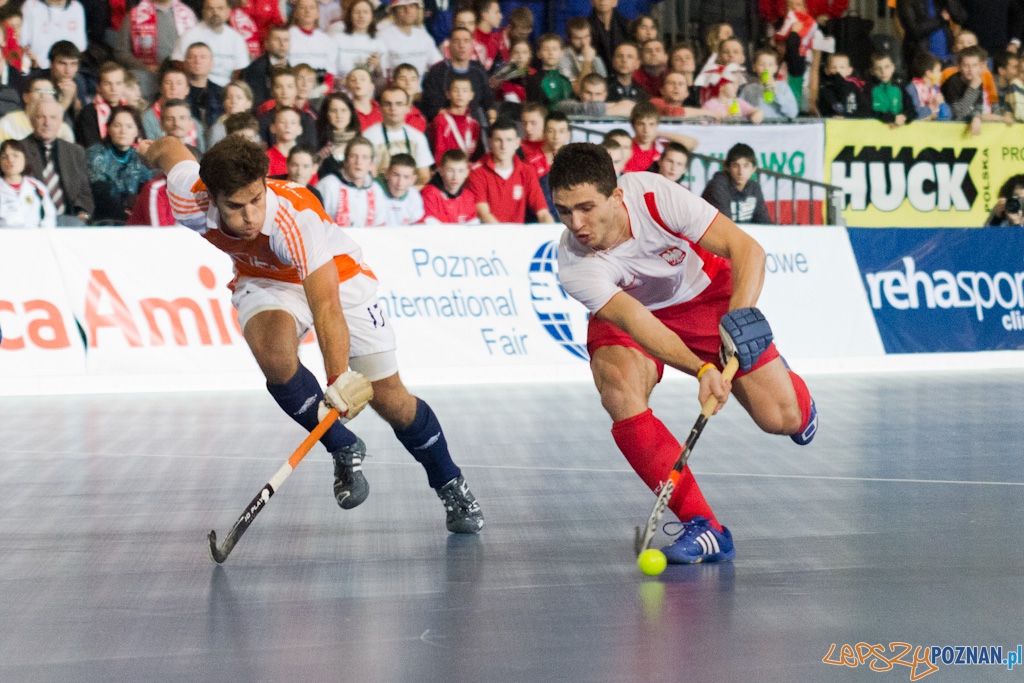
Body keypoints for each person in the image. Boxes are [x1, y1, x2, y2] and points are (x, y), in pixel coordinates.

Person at [141, 133, 484, 533]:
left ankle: (449, 481)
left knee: (391, 399)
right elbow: (169, 148)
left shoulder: (293, 219)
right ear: (213, 198)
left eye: (257, 199)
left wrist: (337, 379)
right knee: (274, 358)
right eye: (236, 206)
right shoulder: (189, 199)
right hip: (265, 279)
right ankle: (342, 445)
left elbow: (326, 306)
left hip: (339, 280)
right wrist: (146, 152)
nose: (250, 216)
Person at [547, 142, 817, 564]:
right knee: (618, 390)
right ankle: (703, 525)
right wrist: (701, 369)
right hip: (637, 313)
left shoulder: (654, 196)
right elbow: (637, 322)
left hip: (704, 294)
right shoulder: (574, 262)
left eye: (586, 207)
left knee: (782, 419)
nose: (575, 223)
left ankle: (789, 387)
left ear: (616, 196)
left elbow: (748, 250)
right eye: (564, 211)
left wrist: (738, 325)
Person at [466, 118, 554, 224]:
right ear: (490, 143)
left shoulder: (527, 171)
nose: (504, 146)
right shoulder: (477, 172)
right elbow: (484, 214)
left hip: (517, 233)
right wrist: (506, 234)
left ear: (517, 143)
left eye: (509, 140)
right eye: (498, 140)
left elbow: (543, 212)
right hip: (489, 232)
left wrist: (551, 229)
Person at [20, 100, 92, 225]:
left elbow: (84, 193)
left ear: (60, 121)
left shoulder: (75, 152)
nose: (47, 123)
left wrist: (82, 215)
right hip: (33, 220)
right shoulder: (19, 151)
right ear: (31, 120)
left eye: (53, 117)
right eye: (41, 117)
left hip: (69, 219)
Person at [116, 0, 198, 99]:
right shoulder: (133, 15)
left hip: (180, 78)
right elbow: (121, 53)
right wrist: (144, 66)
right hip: (146, 78)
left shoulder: (188, 15)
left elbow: (198, 49)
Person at [86, 105, 153, 223]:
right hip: (105, 217)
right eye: (117, 125)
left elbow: (147, 191)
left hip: (135, 217)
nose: (123, 131)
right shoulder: (97, 153)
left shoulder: (139, 158)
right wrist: (127, 216)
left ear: (137, 132)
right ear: (108, 129)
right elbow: (100, 194)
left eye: (129, 126)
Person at [420, 27, 496, 124]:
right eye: (457, 41)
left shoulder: (479, 70)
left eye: (466, 41)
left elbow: (489, 102)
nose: (462, 45)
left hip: (475, 124)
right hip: (445, 124)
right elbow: (430, 108)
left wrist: (492, 119)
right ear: (449, 45)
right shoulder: (437, 72)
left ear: (472, 45)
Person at [362, 86, 434, 186]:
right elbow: (366, 175)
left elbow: (424, 176)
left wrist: (406, 192)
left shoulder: (418, 137)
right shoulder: (368, 136)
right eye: (388, 104)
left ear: (408, 108)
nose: (393, 108)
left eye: (399, 104)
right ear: (380, 108)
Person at [171, 0, 251, 87]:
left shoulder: (236, 39)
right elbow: (178, 64)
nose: (215, 12)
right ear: (203, 12)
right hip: (196, 88)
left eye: (220, 8)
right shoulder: (189, 36)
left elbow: (240, 71)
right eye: (210, 8)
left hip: (226, 90)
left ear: (228, 12)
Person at [316, 135, 387, 226]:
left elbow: (380, 227)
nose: (358, 162)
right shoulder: (327, 185)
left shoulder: (376, 190)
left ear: (371, 164)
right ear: (345, 161)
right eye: (353, 156)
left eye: (365, 157)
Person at [701, 143, 773, 224]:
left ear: (753, 169)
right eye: (735, 166)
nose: (740, 172)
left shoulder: (754, 187)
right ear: (727, 167)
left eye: (746, 166)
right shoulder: (718, 186)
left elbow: (764, 221)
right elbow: (724, 225)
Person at [622, 102, 698, 174]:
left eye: (651, 124)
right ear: (633, 125)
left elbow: (692, 144)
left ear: (657, 125)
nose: (646, 130)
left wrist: (659, 134)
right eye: (641, 124)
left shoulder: (661, 147)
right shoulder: (625, 147)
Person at [378, 0, 443, 80]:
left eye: (412, 6)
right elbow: (382, 72)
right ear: (393, 11)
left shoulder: (423, 35)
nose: (408, 10)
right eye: (402, 7)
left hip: (420, 87)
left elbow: (438, 64)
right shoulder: (383, 36)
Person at [0, 138, 55, 227]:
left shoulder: (37, 187)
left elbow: (49, 216)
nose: (10, 160)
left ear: (25, 159)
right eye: (4, 157)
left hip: (34, 234)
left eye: (15, 155)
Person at [0, 78, 76, 143]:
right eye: (38, 90)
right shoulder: (8, 123)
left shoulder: (62, 128)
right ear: (25, 97)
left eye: (49, 91)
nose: (44, 95)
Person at [896, 0, 967, 68]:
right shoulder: (906, 1)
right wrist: (940, 19)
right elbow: (914, 31)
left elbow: (960, 17)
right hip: (923, 59)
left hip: (947, 57)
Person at [18, 0, 86, 70]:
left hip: (68, 71)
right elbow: (22, 43)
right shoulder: (30, 6)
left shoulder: (76, 7)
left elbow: (80, 47)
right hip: (38, 69)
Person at [429, 75, 481, 167]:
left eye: (465, 90)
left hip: (465, 168)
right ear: (448, 94)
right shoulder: (440, 121)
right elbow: (438, 155)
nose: (460, 94)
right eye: (456, 90)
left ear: (471, 95)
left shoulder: (474, 124)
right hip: (445, 169)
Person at [75, 62, 127, 150]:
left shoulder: (130, 111)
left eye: (118, 83)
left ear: (124, 86)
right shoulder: (88, 114)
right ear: (98, 87)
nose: (113, 89)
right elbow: (92, 149)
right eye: (108, 84)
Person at [333, 0, 385, 85]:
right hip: (341, 90)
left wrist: (378, 68)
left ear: (372, 16)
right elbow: (330, 72)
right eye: (357, 12)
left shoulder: (379, 42)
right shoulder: (337, 39)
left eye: (365, 12)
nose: (361, 16)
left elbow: (381, 82)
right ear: (350, 15)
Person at [421, 148, 479, 223]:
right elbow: (430, 226)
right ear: (441, 171)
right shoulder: (430, 194)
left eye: (461, 171)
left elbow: (472, 226)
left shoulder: (468, 196)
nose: (455, 177)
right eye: (450, 170)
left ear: (467, 173)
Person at [286, 0, 336, 86]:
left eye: (312, 8)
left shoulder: (326, 40)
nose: (307, 11)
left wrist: (321, 91)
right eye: (302, 7)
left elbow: (330, 75)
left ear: (317, 13)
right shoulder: (287, 36)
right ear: (296, 13)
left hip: (319, 89)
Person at [239, 24, 290, 109]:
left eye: (286, 40)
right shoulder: (255, 69)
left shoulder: (291, 69)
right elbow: (256, 103)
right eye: (277, 40)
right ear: (267, 44)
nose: (282, 44)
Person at [740, 49, 799, 120]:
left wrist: (777, 94)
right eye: (761, 64)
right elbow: (740, 111)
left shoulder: (783, 87)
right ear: (754, 67)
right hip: (756, 125)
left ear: (775, 68)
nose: (766, 68)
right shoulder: (748, 89)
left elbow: (793, 113)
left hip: (777, 125)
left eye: (770, 65)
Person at [316, 92, 360, 179]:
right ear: (326, 114)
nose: (339, 115)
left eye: (343, 110)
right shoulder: (318, 143)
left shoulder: (360, 143)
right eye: (333, 111)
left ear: (351, 113)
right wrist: (318, 159)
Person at [555, 72, 636, 118]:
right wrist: (615, 106)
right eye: (588, 93)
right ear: (580, 93)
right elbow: (589, 109)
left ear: (605, 95)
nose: (593, 99)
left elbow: (633, 108)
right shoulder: (565, 106)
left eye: (598, 94)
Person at [183, 43, 225, 130]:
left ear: (211, 64)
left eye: (203, 57)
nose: (197, 61)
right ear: (185, 63)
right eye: (192, 57)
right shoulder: (176, 91)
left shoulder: (221, 93)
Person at [559, 16, 607, 93]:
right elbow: (578, 91)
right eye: (577, 38)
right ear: (569, 38)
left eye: (587, 37)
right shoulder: (562, 57)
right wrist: (587, 61)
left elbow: (603, 86)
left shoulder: (593, 54)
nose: (584, 42)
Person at [866, 53, 914, 128]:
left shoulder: (900, 88)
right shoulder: (868, 90)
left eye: (887, 67)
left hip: (899, 133)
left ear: (893, 68)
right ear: (872, 71)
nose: (883, 72)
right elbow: (867, 112)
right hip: (875, 132)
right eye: (878, 68)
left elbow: (912, 111)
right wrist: (892, 118)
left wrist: (904, 117)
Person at [525, 34, 574, 108]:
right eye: (546, 49)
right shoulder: (534, 80)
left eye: (554, 49)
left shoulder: (565, 81)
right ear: (538, 54)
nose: (551, 53)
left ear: (561, 53)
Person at [379, 153, 425, 225]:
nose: (400, 183)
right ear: (387, 173)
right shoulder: (375, 191)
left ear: (413, 179)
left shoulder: (414, 196)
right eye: (396, 175)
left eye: (406, 177)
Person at [816, 52, 866, 117]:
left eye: (842, 67)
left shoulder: (854, 87)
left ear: (849, 70)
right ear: (827, 70)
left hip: (853, 121)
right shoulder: (825, 90)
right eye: (833, 67)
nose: (837, 70)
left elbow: (863, 106)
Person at [588, 0, 629, 75]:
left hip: (623, 73)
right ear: (592, 2)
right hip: (594, 74)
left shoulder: (626, 26)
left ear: (615, 2)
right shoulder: (585, 27)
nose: (602, 1)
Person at [207, 79, 254, 146]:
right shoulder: (217, 131)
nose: (234, 101)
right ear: (224, 102)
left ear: (249, 103)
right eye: (229, 97)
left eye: (239, 98)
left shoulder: (253, 130)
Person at [906, 52, 951, 121]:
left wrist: (941, 105)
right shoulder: (913, 88)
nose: (941, 74)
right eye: (938, 71)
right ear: (929, 73)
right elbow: (912, 115)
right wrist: (931, 106)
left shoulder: (935, 89)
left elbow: (947, 116)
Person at [266, 106, 302, 175]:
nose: (288, 126)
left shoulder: (306, 159)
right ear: (273, 128)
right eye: (282, 122)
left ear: (299, 129)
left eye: (293, 123)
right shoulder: (266, 159)